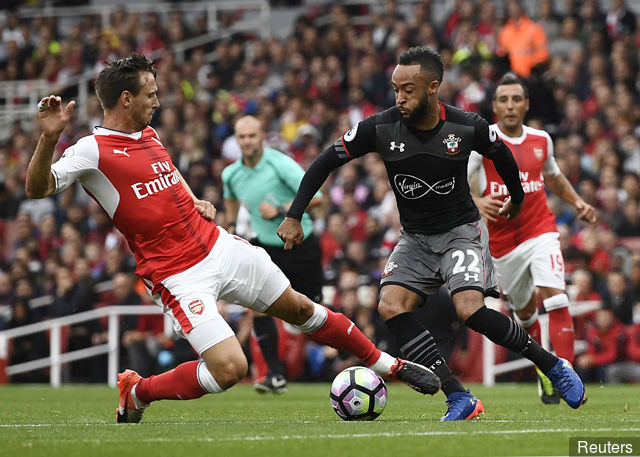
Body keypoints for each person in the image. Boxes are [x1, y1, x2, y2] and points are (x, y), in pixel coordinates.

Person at [25, 53, 440, 424]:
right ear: (126, 99)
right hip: (176, 274)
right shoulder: (92, 150)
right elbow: (38, 189)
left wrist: (193, 200)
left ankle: (390, 366)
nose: (158, 100)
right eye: (150, 93)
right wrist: (48, 138)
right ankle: (138, 391)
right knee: (229, 369)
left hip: (218, 246)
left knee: (301, 309)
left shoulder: (148, 135)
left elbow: (166, 174)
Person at [277, 46, 586, 421]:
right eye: (395, 89)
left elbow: (501, 154)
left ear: (433, 87)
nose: (400, 98)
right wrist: (294, 214)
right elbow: (327, 159)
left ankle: (552, 365)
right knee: (389, 305)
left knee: (470, 310)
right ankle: (459, 398)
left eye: (408, 89)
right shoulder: (380, 127)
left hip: (460, 232)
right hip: (415, 238)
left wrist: (517, 199)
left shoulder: (465, 125)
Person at [467, 73, 597, 404]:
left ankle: (567, 376)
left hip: (541, 230)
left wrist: (577, 202)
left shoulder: (541, 140)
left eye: (516, 100)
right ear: (495, 106)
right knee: (524, 315)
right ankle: (546, 368)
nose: (510, 106)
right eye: (504, 100)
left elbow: (552, 176)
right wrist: (479, 202)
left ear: (526, 104)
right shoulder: (481, 141)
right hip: (503, 244)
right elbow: (461, 183)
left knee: (556, 298)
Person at [222, 115, 325, 393]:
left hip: (301, 244)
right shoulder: (231, 174)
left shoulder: (278, 163)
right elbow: (230, 197)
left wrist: (281, 209)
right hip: (266, 247)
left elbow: (318, 198)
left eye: (252, 136)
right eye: (242, 137)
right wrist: (231, 226)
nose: (247, 142)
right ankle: (273, 375)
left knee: (313, 312)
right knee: (257, 307)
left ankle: (349, 359)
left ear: (262, 136)